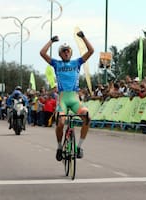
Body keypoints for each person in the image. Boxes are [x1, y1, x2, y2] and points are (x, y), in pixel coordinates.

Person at [40, 30, 94, 161]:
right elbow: (42, 53)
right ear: (60, 53)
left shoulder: (77, 62)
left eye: (68, 50)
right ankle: (59, 147)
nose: (66, 52)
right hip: (63, 99)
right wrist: (51, 41)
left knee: (87, 117)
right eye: (64, 51)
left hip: (75, 99)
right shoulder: (56, 64)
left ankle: (79, 147)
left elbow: (91, 51)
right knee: (60, 123)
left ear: (71, 52)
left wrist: (83, 37)